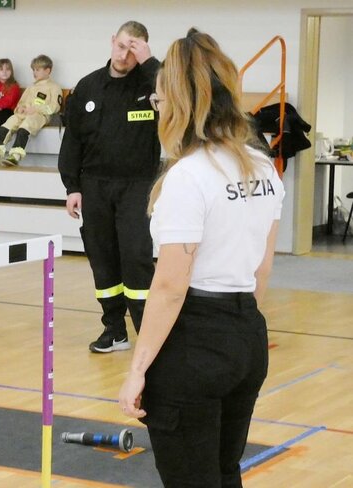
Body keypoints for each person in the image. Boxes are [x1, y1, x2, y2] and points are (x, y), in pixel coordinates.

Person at [118, 29, 284, 487]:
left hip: (194, 343)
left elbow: (170, 287)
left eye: (158, 101)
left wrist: (137, 369)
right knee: (225, 474)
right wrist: (235, 334)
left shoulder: (188, 177)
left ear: (176, 102)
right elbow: (262, 268)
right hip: (246, 335)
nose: (157, 110)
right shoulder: (263, 168)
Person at [58, 21, 160, 353]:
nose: (124, 54)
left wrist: (150, 63)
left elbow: (176, 94)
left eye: (134, 50)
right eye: (122, 45)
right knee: (102, 260)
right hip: (94, 187)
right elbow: (72, 142)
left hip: (137, 187)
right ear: (112, 40)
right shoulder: (88, 86)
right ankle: (114, 329)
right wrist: (72, 186)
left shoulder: (152, 85)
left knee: (136, 257)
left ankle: (148, 334)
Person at [0, 54, 62, 167]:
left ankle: (15, 156)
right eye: (33, 70)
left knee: (24, 128)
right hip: (23, 114)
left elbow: (55, 107)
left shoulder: (54, 87)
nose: (34, 72)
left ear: (47, 70)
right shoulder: (31, 87)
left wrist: (36, 109)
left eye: (37, 70)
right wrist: (20, 108)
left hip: (39, 116)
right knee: (6, 126)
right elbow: (21, 102)